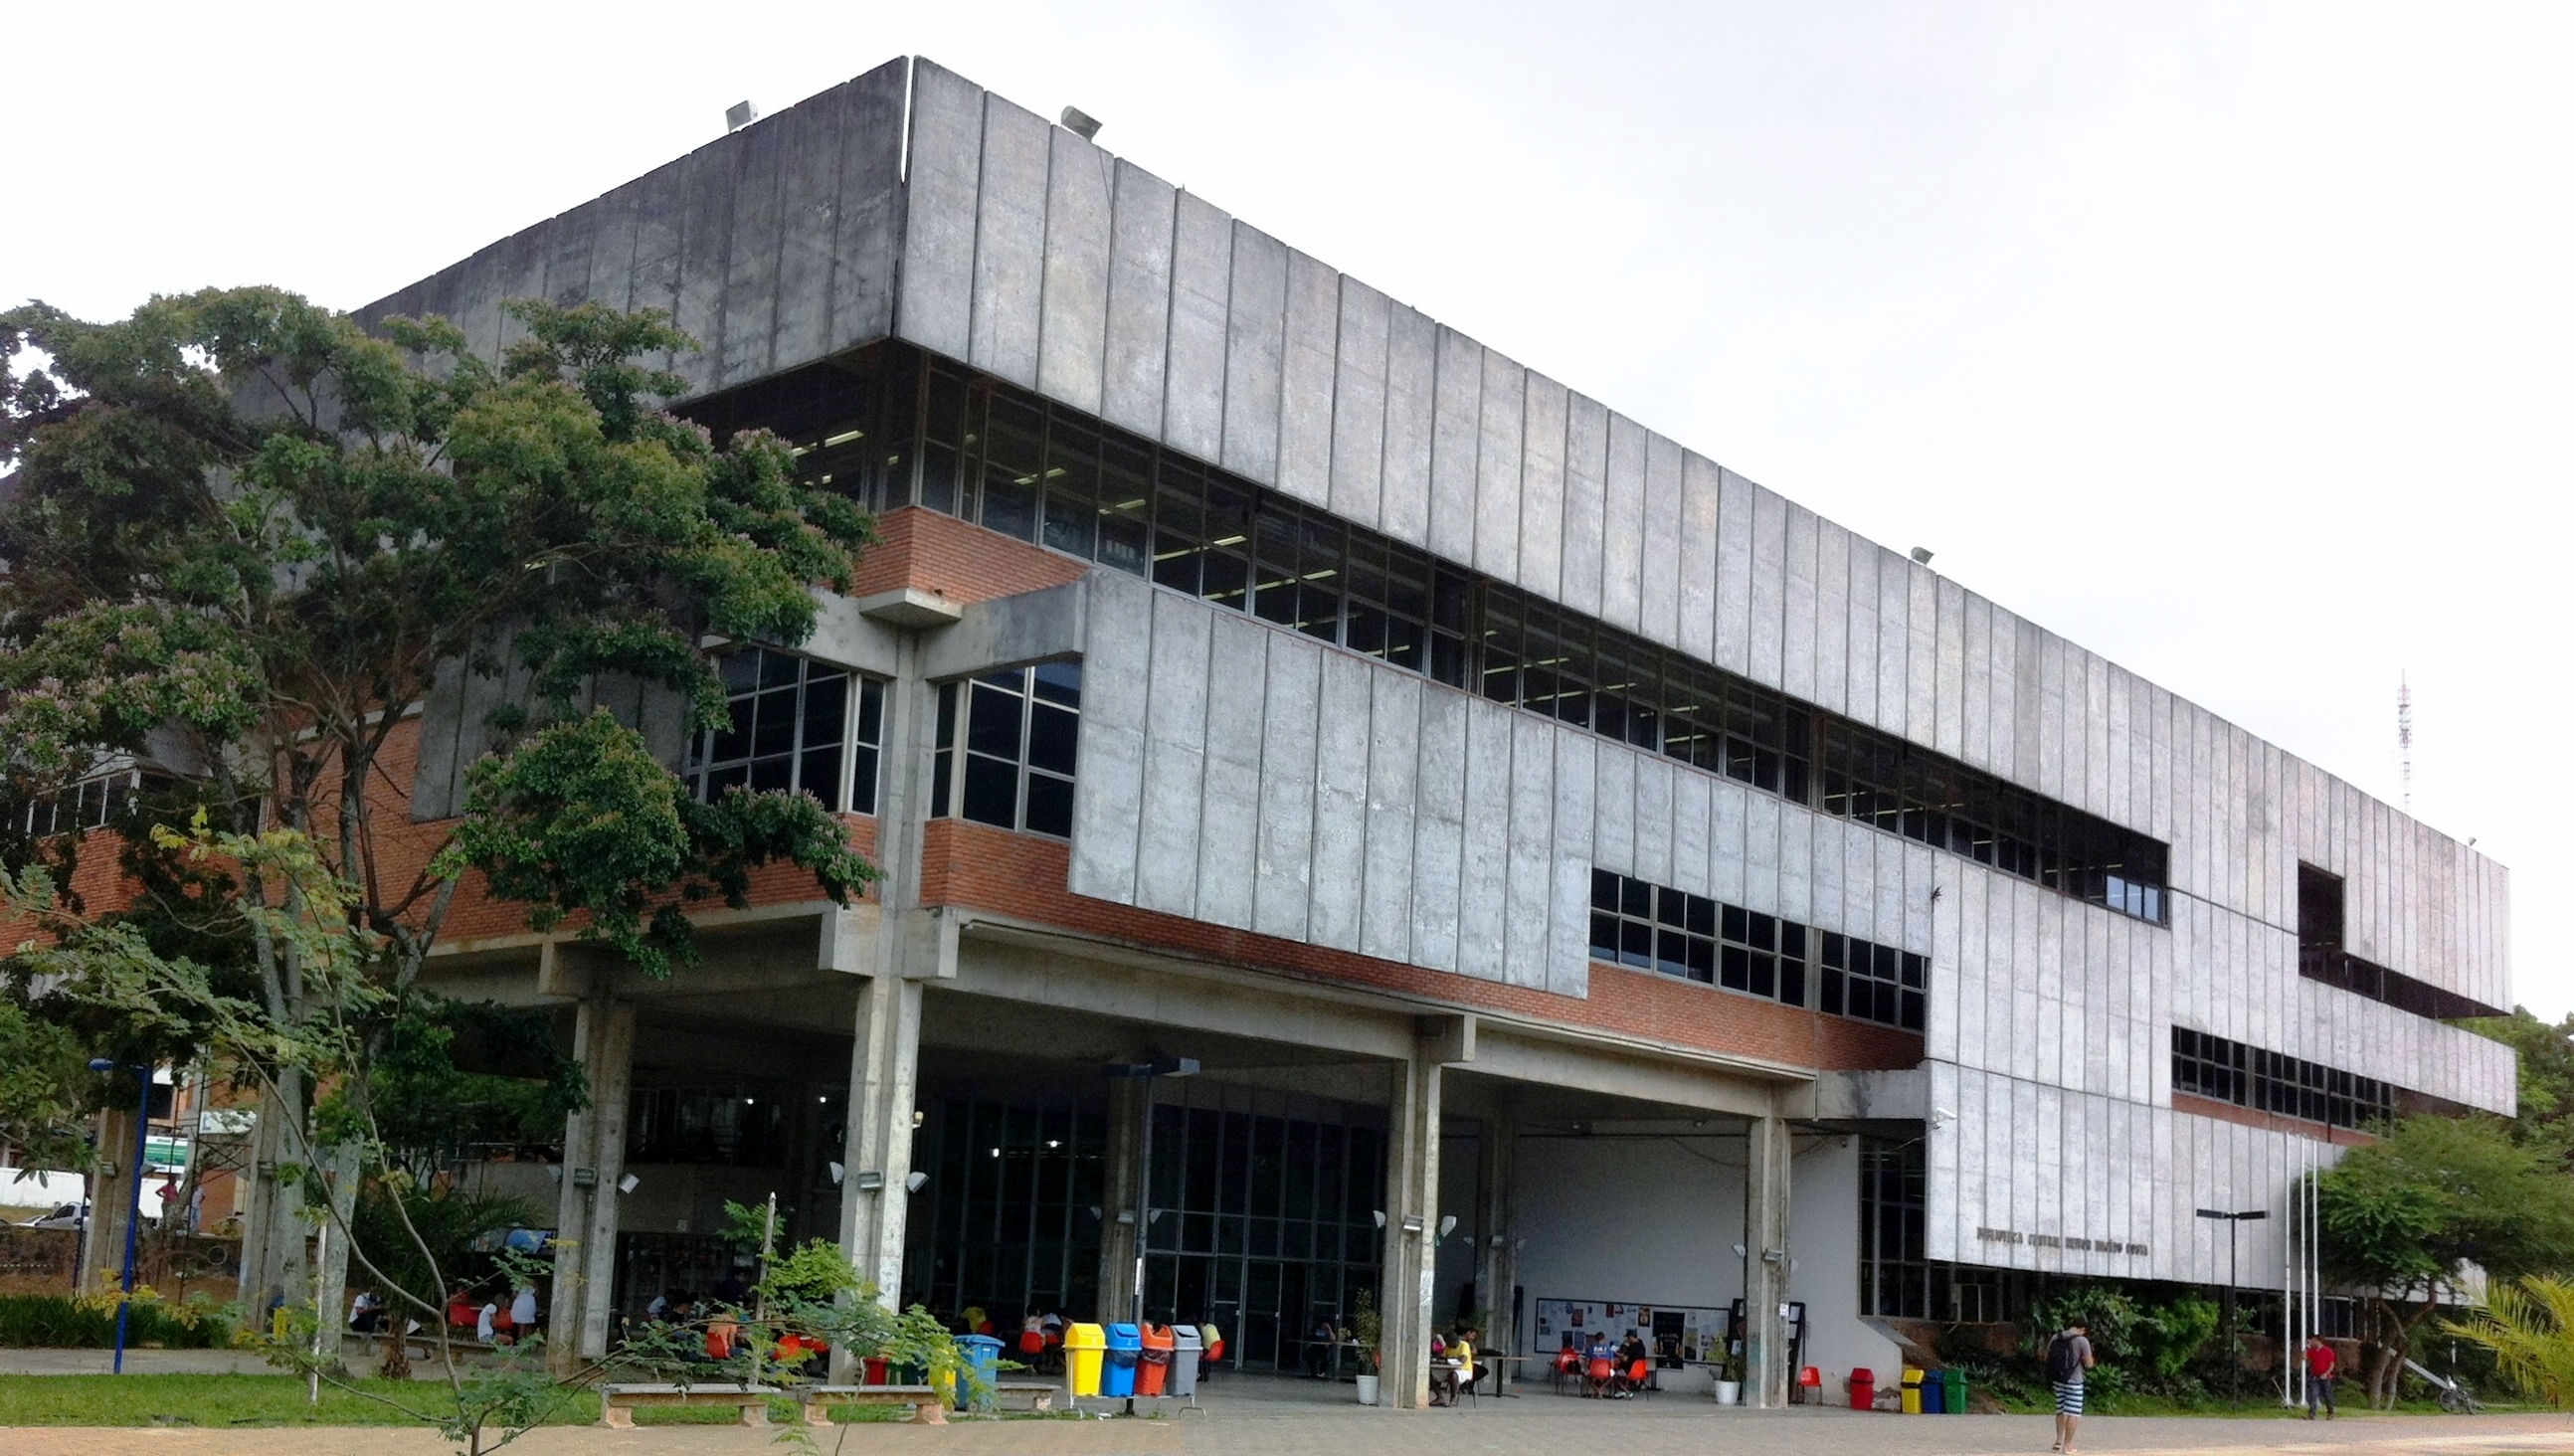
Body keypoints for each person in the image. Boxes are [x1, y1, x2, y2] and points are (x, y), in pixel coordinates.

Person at [2045, 1320, 2095, 1453]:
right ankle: (2068, 1445)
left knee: (2060, 1409)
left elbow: (2046, 1356)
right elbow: (2089, 1364)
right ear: (2083, 1329)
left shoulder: (2056, 1337)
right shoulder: (2082, 1341)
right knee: (2073, 1412)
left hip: (2058, 1380)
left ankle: (2058, 1440)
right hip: (2075, 1381)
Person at [2303, 1335, 2337, 1420]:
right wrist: (2307, 1348)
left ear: (2319, 1341)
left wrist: (2327, 1373)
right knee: (2313, 1394)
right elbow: (2303, 1357)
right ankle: (2312, 1413)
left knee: (2327, 1394)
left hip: (2325, 1377)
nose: (2312, 1342)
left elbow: (2331, 1365)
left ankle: (2331, 1412)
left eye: (2313, 1340)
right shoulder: (2312, 1351)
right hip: (2315, 1376)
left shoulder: (2328, 1351)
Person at [1616, 1330, 1649, 1397]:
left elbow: (1625, 1359)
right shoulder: (1642, 1346)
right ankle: (1624, 1391)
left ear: (1631, 1337)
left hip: (1631, 1371)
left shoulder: (1632, 1346)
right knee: (1626, 1375)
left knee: (1613, 1374)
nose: (1627, 1339)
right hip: (1641, 1372)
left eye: (1628, 1338)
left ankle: (1626, 1391)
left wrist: (1618, 1355)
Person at [1307, 1314, 1338, 1378]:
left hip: (1325, 1347)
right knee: (1309, 1354)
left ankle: (1322, 1371)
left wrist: (1329, 1329)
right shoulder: (1315, 1328)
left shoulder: (1330, 1330)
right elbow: (1309, 1335)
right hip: (1315, 1347)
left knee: (1327, 1357)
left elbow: (1333, 1339)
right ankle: (1314, 1371)